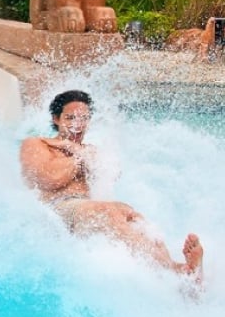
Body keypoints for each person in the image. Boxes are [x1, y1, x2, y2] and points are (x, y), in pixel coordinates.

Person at [20, 89, 203, 280]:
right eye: (70, 118)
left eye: (83, 118)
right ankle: (173, 272)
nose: (77, 124)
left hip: (88, 209)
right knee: (107, 210)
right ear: (56, 119)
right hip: (57, 209)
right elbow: (49, 179)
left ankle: (180, 273)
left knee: (130, 214)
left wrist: (83, 152)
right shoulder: (37, 144)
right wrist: (79, 157)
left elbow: (111, 175)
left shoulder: (88, 149)